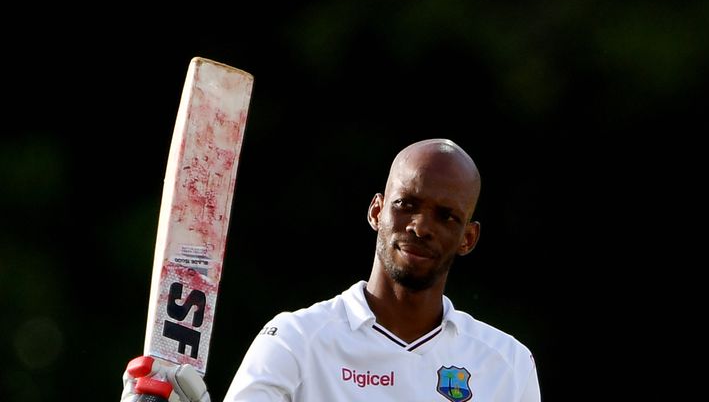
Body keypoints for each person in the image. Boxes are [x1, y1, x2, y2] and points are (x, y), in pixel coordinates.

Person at [122, 138, 541, 401]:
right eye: (406, 204)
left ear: (468, 238)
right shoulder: (296, 341)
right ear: (377, 211)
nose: (420, 227)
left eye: (446, 216)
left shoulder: (508, 364)